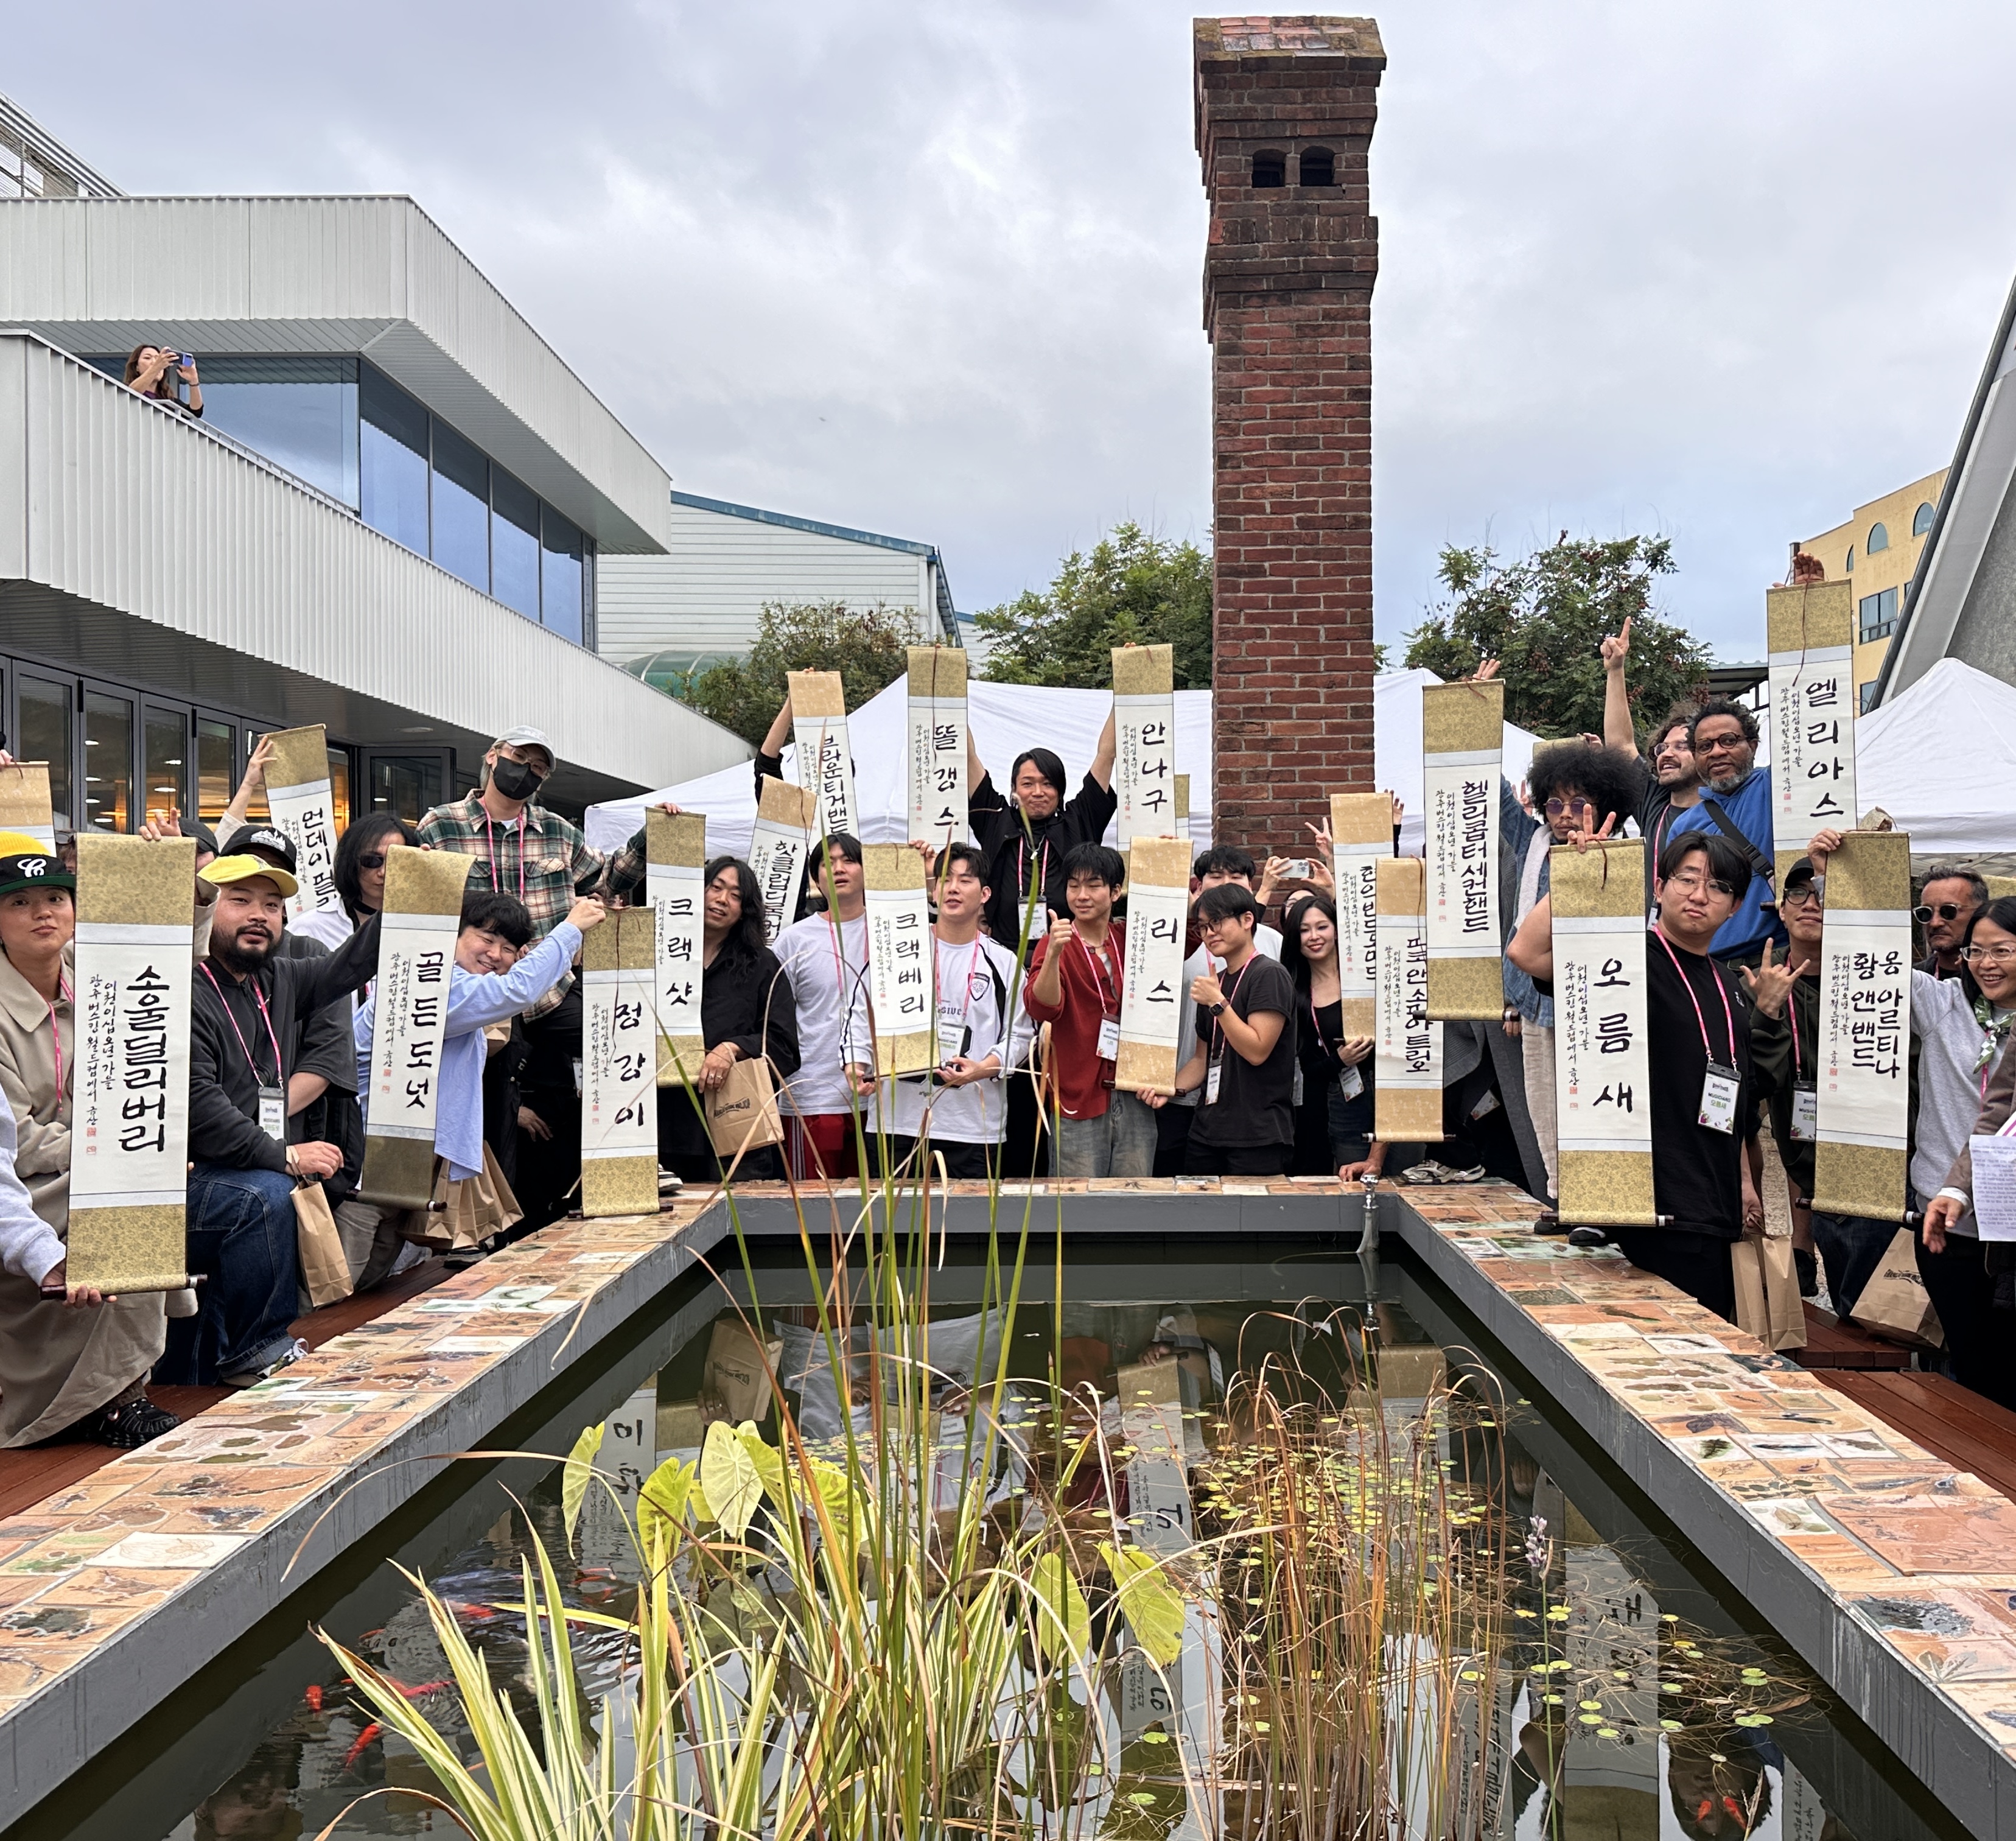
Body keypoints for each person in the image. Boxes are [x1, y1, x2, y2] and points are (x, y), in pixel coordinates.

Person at [1510, 831, 1765, 1320]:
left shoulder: (1728, 983)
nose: (1699, 895)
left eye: (1718, 887)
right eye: (1687, 879)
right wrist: (1579, 873)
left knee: (1708, 1346)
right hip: (1650, 1204)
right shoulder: (1625, 960)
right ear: (1659, 887)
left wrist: (1745, 1182)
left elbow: (1733, 1093)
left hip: (1713, 1204)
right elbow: (1526, 952)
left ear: (1735, 907)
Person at [168, 852, 383, 1386]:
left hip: (233, 1171)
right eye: (240, 901)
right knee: (264, 1196)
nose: (259, 916)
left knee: (266, 1191)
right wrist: (283, 1155)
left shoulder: (277, 978)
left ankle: (226, 1362)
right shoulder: (180, 985)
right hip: (179, 1180)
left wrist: (403, 900)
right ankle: (258, 1350)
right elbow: (199, 1104)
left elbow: (352, 964)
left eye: (272, 906)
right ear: (206, 910)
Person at [0, 836, 177, 1448]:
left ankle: (127, 1384)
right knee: (126, 1196)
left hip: (85, 1165)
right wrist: (109, 1153)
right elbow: (19, 1141)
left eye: (56, 898)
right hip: (28, 1182)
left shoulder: (95, 974)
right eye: (19, 903)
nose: (42, 913)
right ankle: (117, 1399)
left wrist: (164, 870)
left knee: (150, 1185)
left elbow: (168, 959)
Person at [354, 889, 604, 1260]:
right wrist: (570, 929)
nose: (496, 954)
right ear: (454, 934)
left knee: (381, 1278)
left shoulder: (459, 989)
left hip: (404, 1164)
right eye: (486, 939)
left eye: (508, 948)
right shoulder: (434, 983)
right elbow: (515, 991)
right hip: (368, 1163)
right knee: (341, 1281)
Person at [1500, 740, 1648, 1215]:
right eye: (1555, 804)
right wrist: (1470, 718)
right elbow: (1491, 794)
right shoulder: (1534, 844)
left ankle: (1602, 1201)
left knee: (1598, 1101)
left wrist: (1593, 866)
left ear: (1604, 804)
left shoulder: (1624, 851)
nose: (1566, 815)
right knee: (1545, 1104)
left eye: (1579, 802)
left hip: (1602, 998)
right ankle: (1563, 1198)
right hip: (1537, 997)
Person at [1885, 887, 2016, 1411]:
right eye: (1976, 951)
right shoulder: (1944, 1003)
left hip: (2010, 1227)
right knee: (1974, 1368)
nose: (1987, 963)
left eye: (2002, 950)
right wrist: (1834, 878)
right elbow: (1871, 958)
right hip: (1951, 1223)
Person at [416, 727, 604, 1020]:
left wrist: (651, 836)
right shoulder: (441, 825)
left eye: (537, 767)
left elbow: (607, 877)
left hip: (549, 995)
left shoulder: (558, 831)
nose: (526, 769)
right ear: (492, 756)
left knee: (597, 1040)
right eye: (519, 757)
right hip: (471, 994)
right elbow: (418, 906)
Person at [876, 843, 1031, 1180]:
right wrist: (857, 1063)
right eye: (945, 880)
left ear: (985, 894)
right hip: (899, 1120)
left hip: (972, 1125)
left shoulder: (1004, 962)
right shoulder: (899, 949)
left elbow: (1020, 1035)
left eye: (966, 880)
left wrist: (983, 1069)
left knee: (969, 1215)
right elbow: (861, 1015)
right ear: (933, 891)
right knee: (894, 1215)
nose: (953, 888)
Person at [1743, 860, 1858, 1308]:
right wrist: (1765, 1010)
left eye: (1822, 894)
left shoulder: (1868, 980)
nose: (1810, 904)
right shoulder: (1759, 981)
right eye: (1797, 894)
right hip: (1795, 1125)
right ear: (1781, 910)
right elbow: (1748, 1084)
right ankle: (1802, 1250)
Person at [657, 857, 800, 1184]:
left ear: (745, 910)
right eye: (716, 888)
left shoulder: (762, 964)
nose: (722, 900)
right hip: (667, 1125)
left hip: (738, 1128)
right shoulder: (661, 957)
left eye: (735, 896)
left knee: (741, 1214)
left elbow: (785, 1047)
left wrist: (734, 1048)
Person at [1023, 843, 1157, 1178]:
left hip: (1135, 1090)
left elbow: (1192, 932)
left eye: (1093, 885)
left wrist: (1166, 865)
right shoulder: (1055, 942)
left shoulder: (1132, 937)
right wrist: (1053, 955)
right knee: (1076, 1201)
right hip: (1078, 1097)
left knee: (1134, 1195)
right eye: (1073, 885)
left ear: (1115, 892)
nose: (1081, 895)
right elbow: (1042, 1007)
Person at [1146, 884, 1298, 1177]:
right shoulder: (1215, 983)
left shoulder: (1269, 975)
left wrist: (1218, 1003)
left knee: (1249, 1208)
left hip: (1257, 1133)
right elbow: (1201, 1059)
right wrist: (1169, 1089)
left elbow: (1257, 1050)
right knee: (1200, 1206)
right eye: (1203, 927)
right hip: (1207, 1130)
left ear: (1247, 920)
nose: (1209, 933)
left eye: (1217, 922)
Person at [967, 711, 1118, 949]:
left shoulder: (1079, 821)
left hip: (1068, 953)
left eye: (1048, 784)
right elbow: (967, 757)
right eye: (1028, 784)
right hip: (1005, 952)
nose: (1038, 792)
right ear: (1015, 789)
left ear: (1060, 790)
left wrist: (1127, 697)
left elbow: (1106, 755)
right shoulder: (995, 819)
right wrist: (948, 700)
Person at [774, 834, 875, 1181]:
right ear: (816, 878)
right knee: (816, 1203)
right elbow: (777, 1019)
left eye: (849, 860)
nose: (838, 869)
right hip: (813, 1094)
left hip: (879, 1097)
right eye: (827, 863)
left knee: (875, 1203)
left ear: (866, 870)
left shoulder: (889, 932)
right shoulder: (794, 940)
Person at [1661, 700, 1780, 965]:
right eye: (1705, 746)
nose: (1716, 752)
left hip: (1775, 962)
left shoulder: (1777, 786)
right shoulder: (1684, 826)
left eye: (1728, 741)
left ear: (1753, 746)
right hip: (1705, 968)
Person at [1278, 890, 1375, 1175]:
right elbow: (1308, 1068)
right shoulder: (1295, 993)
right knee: (1352, 1178)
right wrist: (1339, 1060)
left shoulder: (1366, 974)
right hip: (1343, 1099)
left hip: (1395, 1088)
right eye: (1304, 930)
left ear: (1337, 929)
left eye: (1322, 927)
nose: (1314, 936)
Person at [1600, 614, 1701, 872]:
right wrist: (1615, 670)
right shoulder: (1654, 804)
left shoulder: (1732, 807)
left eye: (1681, 746)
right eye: (1662, 748)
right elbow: (1621, 745)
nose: (1666, 754)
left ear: (1705, 752)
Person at [1914, 865, 1989, 983]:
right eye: (1926, 913)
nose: (1935, 923)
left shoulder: (2005, 980)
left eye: (1948, 911)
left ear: (1981, 912)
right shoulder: (1910, 981)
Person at [123, 343, 203, 418]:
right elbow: (131, 394)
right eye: (147, 358)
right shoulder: (122, 391)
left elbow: (195, 412)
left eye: (158, 359)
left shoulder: (167, 400)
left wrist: (194, 381)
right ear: (136, 367)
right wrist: (157, 367)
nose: (154, 362)